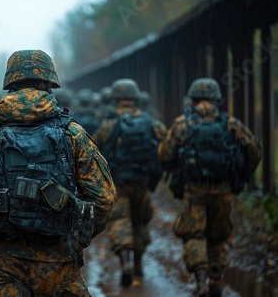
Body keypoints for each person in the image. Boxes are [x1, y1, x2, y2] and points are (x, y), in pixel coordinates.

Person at [0, 49, 117, 296]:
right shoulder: (73, 133)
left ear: (10, 83)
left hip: (1, 263)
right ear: (49, 82)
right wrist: (76, 237)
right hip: (59, 264)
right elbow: (105, 199)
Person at [158, 78, 262, 297]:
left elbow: (164, 155)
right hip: (223, 189)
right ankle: (216, 280)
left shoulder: (183, 124)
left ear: (193, 98)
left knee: (193, 234)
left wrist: (175, 167)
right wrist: (243, 174)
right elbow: (254, 149)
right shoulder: (230, 123)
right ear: (216, 99)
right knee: (218, 237)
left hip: (194, 190)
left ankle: (200, 279)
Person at [93, 78, 166, 287]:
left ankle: (125, 264)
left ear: (115, 98)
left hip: (118, 183)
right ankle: (139, 264)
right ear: (134, 97)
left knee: (119, 221)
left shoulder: (109, 124)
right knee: (139, 222)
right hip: (142, 182)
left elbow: (93, 150)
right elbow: (167, 143)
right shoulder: (150, 121)